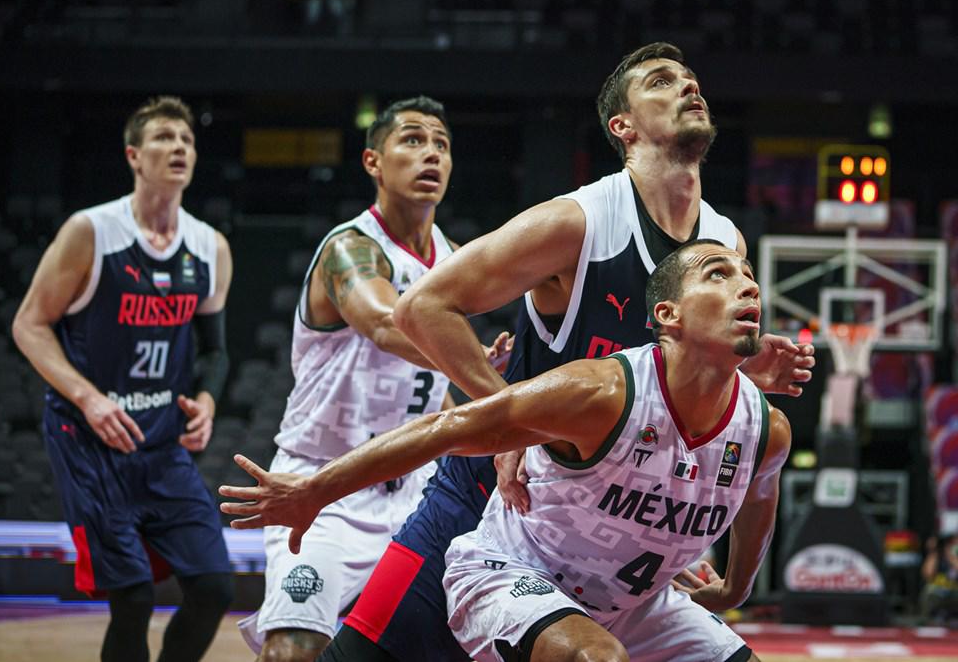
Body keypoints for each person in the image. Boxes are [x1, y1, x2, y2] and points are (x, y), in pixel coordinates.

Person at [222, 42, 814, 661]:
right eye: (663, 81)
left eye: (692, 80)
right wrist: (513, 430)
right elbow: (420, 307)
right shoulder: (582, 221)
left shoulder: (724, 241)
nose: (689, 87)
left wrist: (743, 367)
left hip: (604, 511)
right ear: (623, 127)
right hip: (499, 495)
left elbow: (667, 367)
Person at [224, 240, 790, 661]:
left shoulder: (766, 429)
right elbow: (450, 426)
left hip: (636, 603)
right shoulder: (600, 392)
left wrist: (736, 586)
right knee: (595, 659)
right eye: (719, 274)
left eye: (749, 278)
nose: (747, 286)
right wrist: (316, 491)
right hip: (515, 572)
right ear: (667, 316)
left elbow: (758, 501)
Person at [236, 96, 511, 662]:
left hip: (413, 490)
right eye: (412, 140)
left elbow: (442, 381)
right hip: (326, 484)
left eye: (441, 143)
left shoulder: (452, 258)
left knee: (444, 642)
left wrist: (481, 379)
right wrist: (489, 380)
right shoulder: (349, 249)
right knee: (295, 643)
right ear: (372, 162)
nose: (430, 153)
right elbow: (389, 323)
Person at [12, 96, 234, 662]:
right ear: (134, 155)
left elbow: (216, 352)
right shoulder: (91, 232)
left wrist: (207, 399)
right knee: (132, 598)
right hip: (89, 443)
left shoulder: (210, 247)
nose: (179, 147)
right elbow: (28, 325)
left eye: (186, 139)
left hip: (160, 446)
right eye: (164, 137)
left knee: (213, 587)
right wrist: (88, 399)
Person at [920, 533, 958, 624]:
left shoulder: (953, 556)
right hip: (939, 591)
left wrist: (952, 557)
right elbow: (927, 574)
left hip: (955, 591)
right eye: (950, 543)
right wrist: (934, 552)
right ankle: (930, 618)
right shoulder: (938, 555)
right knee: (929, 592)